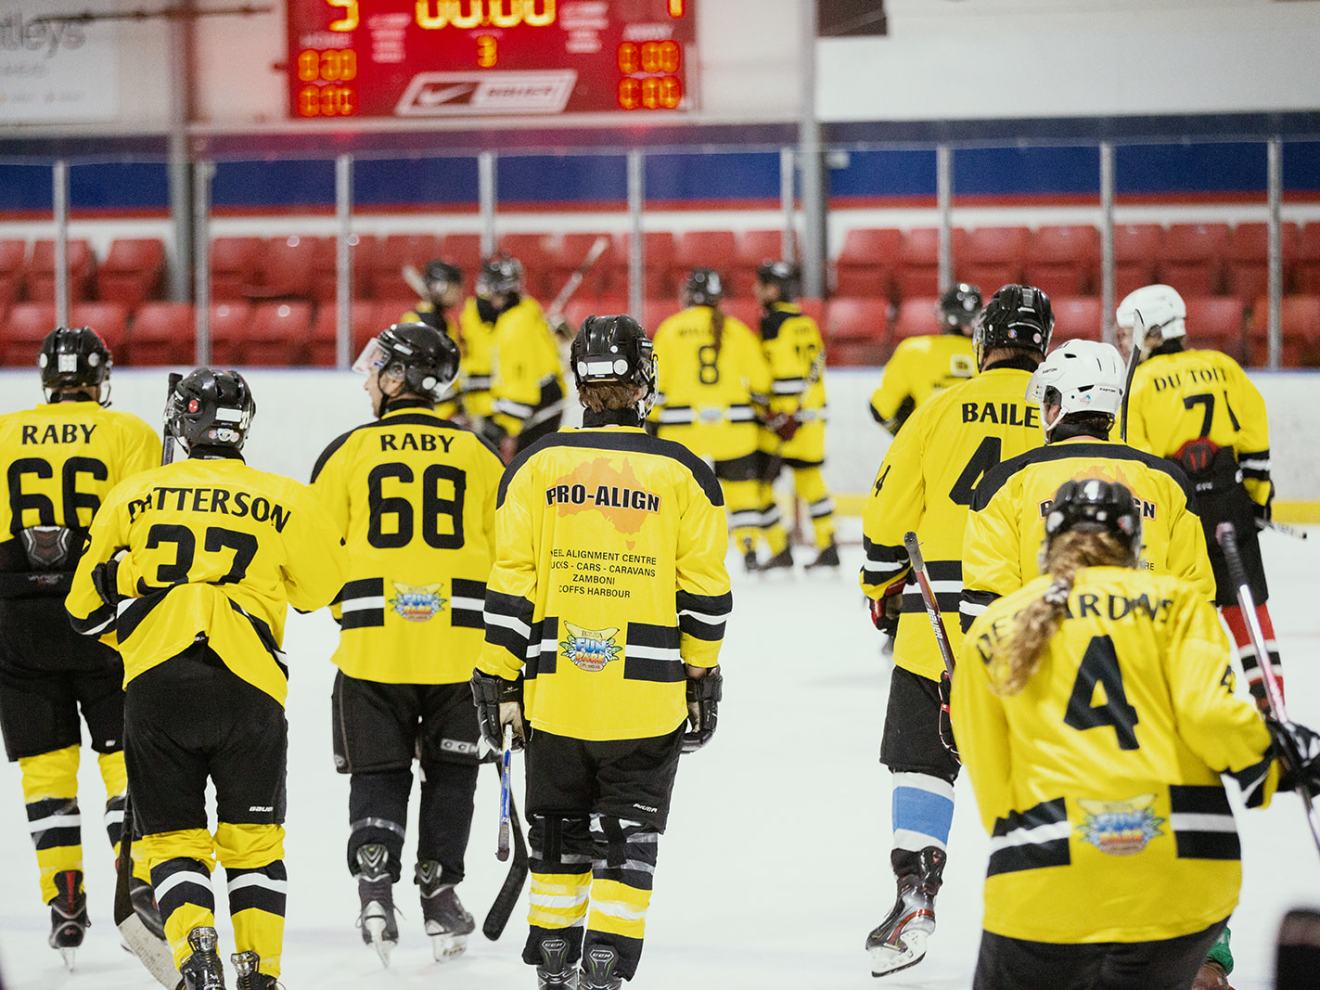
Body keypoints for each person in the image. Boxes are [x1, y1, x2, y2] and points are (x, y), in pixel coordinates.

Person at [955, 477, 1320, 990]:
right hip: (1183, 873)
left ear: (1049, 543)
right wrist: (1276, 757)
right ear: (1133, 544)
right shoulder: (1177, 604)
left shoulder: (994, 628)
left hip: (1045, 872)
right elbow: (1211, 718)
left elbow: (995, 790)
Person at [66, 370, 347, 990]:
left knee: (171, 840)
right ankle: (260, 972)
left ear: (183, 422)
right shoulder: (285, 497)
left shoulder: (135, 495)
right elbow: (323, 590)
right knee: (253, 842)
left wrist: (133, 586)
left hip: (158, 684)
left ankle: (195, 943)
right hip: (248, 685)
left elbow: (82, 611)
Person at [472, 315, 730, 989]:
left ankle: (555, 963)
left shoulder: (533, 466)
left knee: (557, 835)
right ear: (645, 380)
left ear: (578, 380)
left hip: (557, 695)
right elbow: (705, 596)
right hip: (646, 701)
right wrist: (700, 675)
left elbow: (508, 590)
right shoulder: (684, 472)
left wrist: (498, 681)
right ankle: (607, 969)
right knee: (626, 840)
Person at [859, 284, 1052, 977]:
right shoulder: (1062, 414)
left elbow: (886, 518)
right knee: (1046, 769)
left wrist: (879, 589)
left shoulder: (939, 407)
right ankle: (1055, 900)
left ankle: (916, 895)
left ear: (984, 340)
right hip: (1037, 627)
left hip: (934, 621)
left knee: (922, 760)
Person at [310, 323, 505, 966]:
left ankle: (374, 885)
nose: (369, 378)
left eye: (378, 368)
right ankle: (440, 888)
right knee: (452, 773)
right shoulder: (479, 457)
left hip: (373, 652)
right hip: (460, 653)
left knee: (378, 771)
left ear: (398, 380)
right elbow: (510, 560)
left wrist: (352, 611)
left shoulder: (346, 452)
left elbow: (313, 561)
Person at [0, 327, 162, 966]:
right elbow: (147, 533)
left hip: (16, 619)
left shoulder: (4, 431)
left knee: (45, 765)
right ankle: (137, 878)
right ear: (99, 378)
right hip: (99, 615)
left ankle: (63, 894)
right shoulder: (130, 433)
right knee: (121, 759)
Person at [961, 338, 1214, 632]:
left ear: (1057, 406)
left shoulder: (1005, 482)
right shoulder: (1168, 481)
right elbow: (1197, 603)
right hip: (1144, 669)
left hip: (1045, 668)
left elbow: (985, 610)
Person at [1117, 284, 1279, 710]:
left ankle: (1197, 708)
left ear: (1149, 332)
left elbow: (1139, 463)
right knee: (1248, 609)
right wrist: (1257, 500)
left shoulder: (1139, 382)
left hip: (1177, 509)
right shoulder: (1222, 366)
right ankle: (1273, 710)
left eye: (1126, 332)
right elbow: (1255, 436)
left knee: (1183, 611)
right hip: (1229, 498)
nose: (1122, 342)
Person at [649, 268, 776, 570]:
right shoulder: (736, 330)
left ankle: (677, 553)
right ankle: (749, 550)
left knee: (679, 495)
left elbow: (656, 386)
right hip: (734, 427)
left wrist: (652, 422)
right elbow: (761, 383)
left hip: (682, 431)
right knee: (742, 492)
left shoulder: (670, 329)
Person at [753, 259, 838, 569]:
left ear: (773, 289)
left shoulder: (772, 322)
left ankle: (779, 547)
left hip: (785, 420)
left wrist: (774, 413)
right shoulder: (807, 321)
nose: (755, 290)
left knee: (760, 484)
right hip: (812, 415)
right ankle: (828, 544)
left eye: (760, 285)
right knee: (811, 481)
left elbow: (777, 375)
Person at [479, 254, 567, 459]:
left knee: (526, 473)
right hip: (545, 402)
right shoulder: (526, 309)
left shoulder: (514, 324)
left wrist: (504, 426)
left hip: (538, 409)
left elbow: (522, 389)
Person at [869, 282, 982, 435]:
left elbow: (880, 409)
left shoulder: (914, 350)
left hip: (929, 448)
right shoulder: (990, 355)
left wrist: (904, 435)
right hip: (979, 450)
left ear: (942, 315)